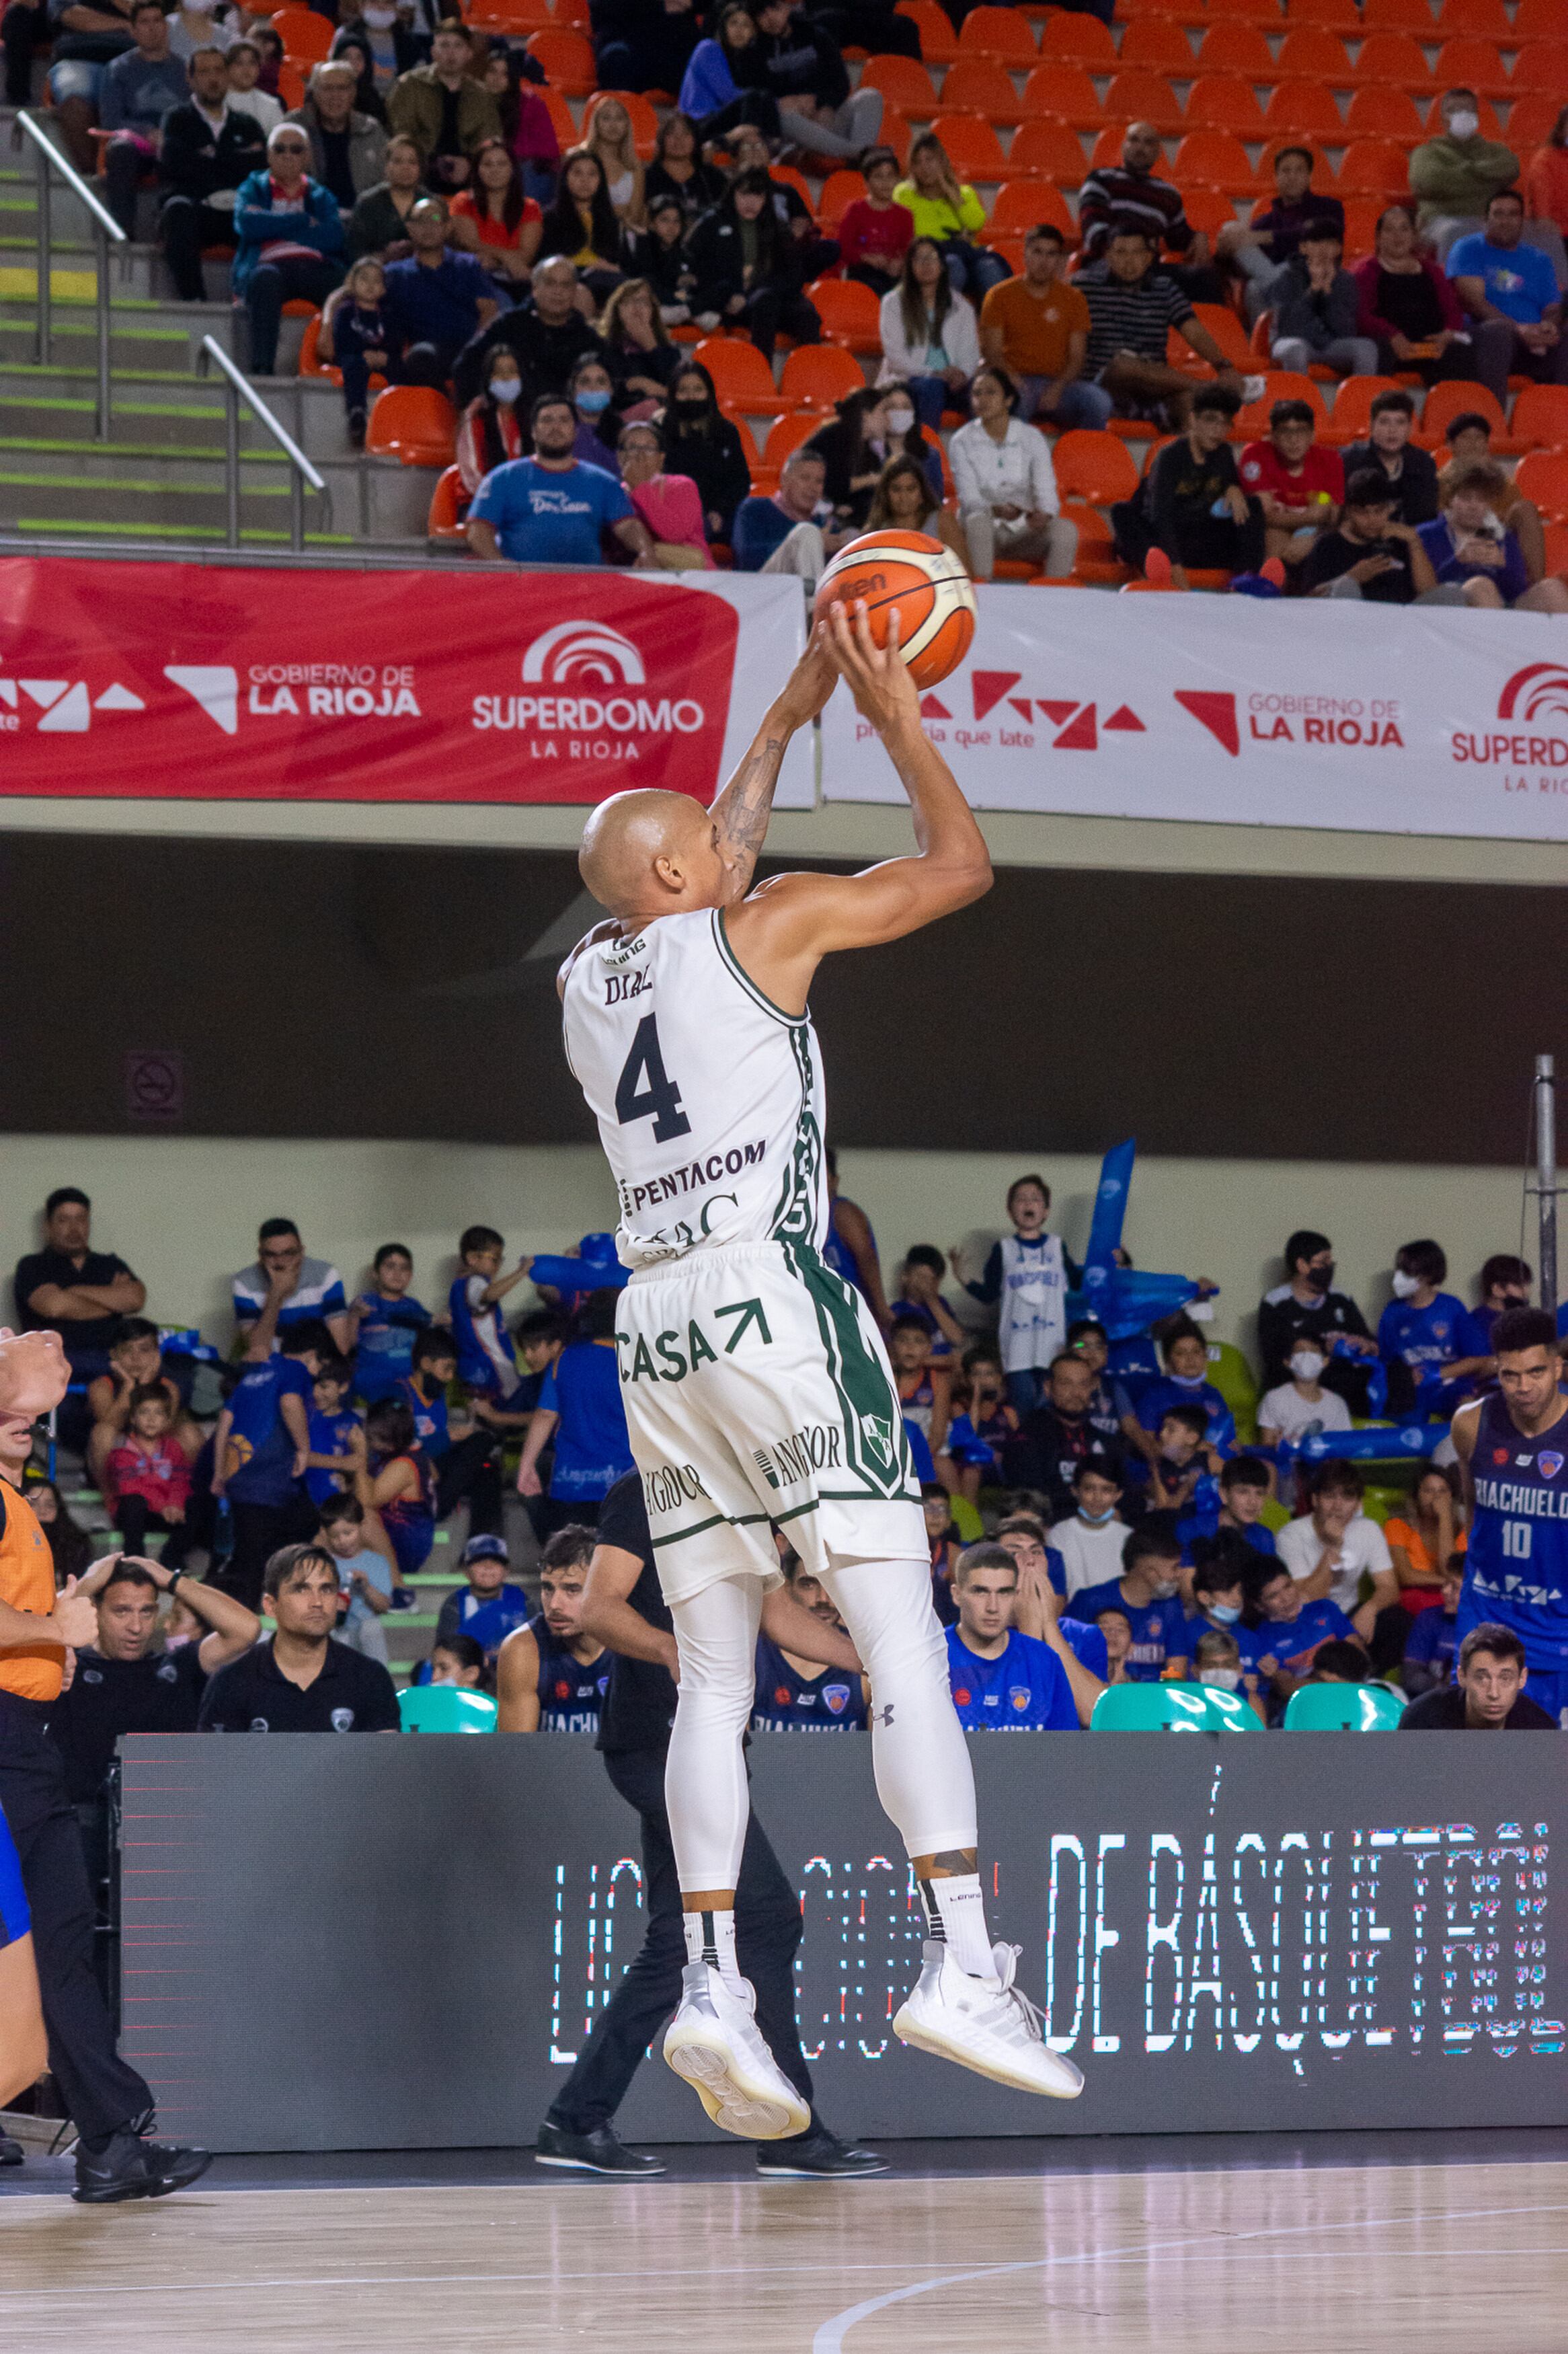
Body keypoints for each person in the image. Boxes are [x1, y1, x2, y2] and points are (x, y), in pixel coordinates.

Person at [559, 608, 1084, 2133]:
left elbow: (694, 851)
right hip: (774, 1297)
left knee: (717, 1671)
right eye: (708, 846)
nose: (732, 843)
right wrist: (895, 713)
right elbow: (958, 869)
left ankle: (713, 1985)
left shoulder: (590, 978)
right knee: (900, 1636)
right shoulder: (768, 919)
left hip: (655, 1322)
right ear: (685, 876)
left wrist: (788, 709)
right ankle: (961, 1961)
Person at [535, 1472, 884, 2178]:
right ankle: (792, 2132)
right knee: (763, 1919)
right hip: (658, 1743)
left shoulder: (752, 1490)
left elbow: (775, 1611)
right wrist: (668, 1649)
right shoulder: (654, 1485)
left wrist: (878, 1660)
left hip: (712, 1746)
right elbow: (599, 1607)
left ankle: (576, 2119)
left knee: (678, 1940)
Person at [0, 1328, 211, 2202]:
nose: (25, 1425)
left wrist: (54, 1649)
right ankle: (112, 2139)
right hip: (9, 1744)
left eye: (26, 1421)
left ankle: (111, 2140)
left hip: (25, 1737)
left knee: (51, 1942)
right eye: (11, 1415)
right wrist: (55, 1633)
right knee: (47, 1943)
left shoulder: (13, 1503)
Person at [48, 1552, 259, 1805]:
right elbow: (29, 1633)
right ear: (96, 1610)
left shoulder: (178, 1667)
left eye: (146, 1612)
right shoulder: (67, 1666)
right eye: (122, 1612)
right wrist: (89, 1583)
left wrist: (172, 1580)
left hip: (163, 1818)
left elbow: (246, 1630)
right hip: (81, 1819)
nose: (136, 1627)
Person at [1449, 1305, 1568, 1724]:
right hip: (1487, 1613)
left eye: (1536, 1372)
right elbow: (1473, 1509)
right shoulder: (1470, 1424)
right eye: (1510, 1375)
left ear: (1558, 1367)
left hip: (1559, 1623)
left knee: (1551, 1766)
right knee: (1474, 1758)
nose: (1523, 1387)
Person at [198, 1541, 401, 1731]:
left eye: (327, 1589)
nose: (317, 1602)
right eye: (301, 1589)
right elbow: (217, 1766)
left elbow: (386, 1764)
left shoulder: (370, 1677)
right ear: (271, 1606)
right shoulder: (231, 1681)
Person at [211, 1299, 323, 1611]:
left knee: (298, 1525)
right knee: (252, 1562)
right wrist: (303, 1448)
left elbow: (225, 1423)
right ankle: (247, 1625)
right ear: (313, 1357)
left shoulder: (252, 1376)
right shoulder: (294, 1369)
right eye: (318, 1366)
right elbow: (290, 1403)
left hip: (241, 1475)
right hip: (268, 1480)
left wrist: (220, 1473)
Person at [13, 1187, 145, 1450]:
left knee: (163, 1385)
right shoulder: (33, 1266)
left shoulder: (108, 1264)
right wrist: (111, 1298)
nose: (74, 1228)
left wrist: (75, 1293)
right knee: (73, 1416)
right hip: (60, 1366)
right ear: (49, 1226)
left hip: (113, 1362)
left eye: (81, 1219)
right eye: (64, 1220)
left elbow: (135, 1299)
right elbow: (53, 1307)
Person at [466, 390, 653, 565]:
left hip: (586, 588)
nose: (555, 427)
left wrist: (646, 552)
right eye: (547, 421)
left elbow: (628, 526)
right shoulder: (503, 478)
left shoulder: (604, 482)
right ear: (533, 431)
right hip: (521, 588)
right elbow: (479, 531)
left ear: (575, 430)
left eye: (564, 420)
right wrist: (501, 566)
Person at [1083, 226, 1243, 430]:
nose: (1129, 261)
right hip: (1105, 390)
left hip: (1153, 390)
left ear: (1149, 257)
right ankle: (1211, 390)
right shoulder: (1086, 286)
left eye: (1137, 253)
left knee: (1190, 402)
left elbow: (1192, 330)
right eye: (1121, 252)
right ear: (1108, 256)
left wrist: (1223, 366)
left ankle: (1190, 459)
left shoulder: (1164, 288)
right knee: (1123, 364)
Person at [1111, 381, 1264, 585]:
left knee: (1252, 506)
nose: (1218, 430)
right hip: (1159, 536)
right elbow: (1160, 516)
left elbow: (1231, 483)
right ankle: (1155, 567)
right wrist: (1175, 568)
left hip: (1194, 536)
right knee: (1121, 511)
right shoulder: (1170, 456)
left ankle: (1245, 579)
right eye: (1211, 421)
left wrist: (1233, 487)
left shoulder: (1224, 453)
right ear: (1193, 419)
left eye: (1225, 423)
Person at [949, 1173, 1080, 1413]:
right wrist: (963, 1278)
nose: (1028, 1204)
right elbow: (989, 1294)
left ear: (1046, 1211)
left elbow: (1079, 1282)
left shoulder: (1056, 1247)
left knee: (1051, 1410)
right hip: (1017, 1348)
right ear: (1010, 1211)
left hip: (1053, 1347)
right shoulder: (1004, 1250)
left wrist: (1109, 1261)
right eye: (1021, 1199)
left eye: (1035, 1199)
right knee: (1023, 1410)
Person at [233, 122, 346, 377]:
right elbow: (248, 225)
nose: (287, 155)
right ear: (269, 154)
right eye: (280, 149)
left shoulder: (320, 195)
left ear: (307, 156)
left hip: (315, 267)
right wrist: (303, 221)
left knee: (344, 283)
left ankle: (340, 367)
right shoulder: (253, 187)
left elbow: (333, 237)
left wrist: (271, 224)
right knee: (264, 280)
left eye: (296, 149)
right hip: (270, 266)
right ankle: (262, 368)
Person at [516, 1291, 635, 1535]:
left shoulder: (566, 1358)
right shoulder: (634, 1359)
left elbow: (545, 1416)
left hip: (572, 1480)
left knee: (571, 1561)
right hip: (623, 1480)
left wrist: (526, 1466)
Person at [159, 42, 268, 301]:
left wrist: (209, 158)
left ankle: (250, 299)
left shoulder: (248, 124)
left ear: (228, 76)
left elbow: (257, 172)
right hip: (198, 208)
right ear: (191, 79)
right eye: (205, 72)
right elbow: (176, 167)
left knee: (265, 216)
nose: (213, 79)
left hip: (237, 210)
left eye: (219, 71)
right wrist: (233, 160)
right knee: (177, 210)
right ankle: (194, 299)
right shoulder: (177, 119)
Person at [945, 363, 1074, 582]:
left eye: (991, 392)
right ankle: (983, 594)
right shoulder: (962, 440)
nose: (982, 399)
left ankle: (1054, 598)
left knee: (1066, 530)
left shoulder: (1031, 437)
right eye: (976, 394)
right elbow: (969, 498)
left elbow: (1046, 488)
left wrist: (1044, 514)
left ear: (1008, 400)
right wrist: (995, 509)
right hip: (981, 527)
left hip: (1024, 527)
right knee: (977, 519)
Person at [978, 223, 1109, 432]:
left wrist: (1057, 388)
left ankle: (1082, 460)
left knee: (1098, 400)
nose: (1044, 261)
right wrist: (1012, 378)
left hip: (1059, 383)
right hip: (1015, 380)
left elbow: (1077, 356)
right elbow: (992, 351)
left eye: (1052, 254)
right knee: (1016, 400)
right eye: (1037, 252)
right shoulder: (999, 295)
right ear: (1025, 254)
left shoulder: (1074, 299)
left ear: (1060, 260)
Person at [944, 1543, 1089, 1730]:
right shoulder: (930, 1656)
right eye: (981, 1592)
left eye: (1004, 1593)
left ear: (1015, 1595)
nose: (993, 1607)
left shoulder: (1045, 1659)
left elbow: (1064, 1749)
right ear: (957, 1595)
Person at [684, 167, 822, 359]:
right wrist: (727, 294)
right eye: (744, 194)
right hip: (728, 300)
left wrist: (764, 290)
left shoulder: (777, 227)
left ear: (766, 199)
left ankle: (812, 377)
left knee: (807, 313)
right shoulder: (712, 223)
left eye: (757, 195)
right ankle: (761, 371)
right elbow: (692, 267)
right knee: (766, 302)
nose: (751, 202)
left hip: (768, 297)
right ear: (733, 193)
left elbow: (793, 275)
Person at [1447, 187, 1568, 404]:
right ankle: (1493, 419)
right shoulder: (1467, 248)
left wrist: (1549, 325)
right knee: (1499, 332)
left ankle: (1559, 417)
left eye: (1513, 214)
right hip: (1484, 336)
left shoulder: (1539, 259)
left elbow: (1552, 307)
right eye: (1499, 214)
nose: (1506, 221)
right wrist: (1518, 328)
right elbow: (1474, 303)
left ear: (1523, 220)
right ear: (1486, 219)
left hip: (1533, 339)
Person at [1078, 121, 1218, 299]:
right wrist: (1137, 248)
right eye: (1134, 140)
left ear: (1158, 152)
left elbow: (1179, 239)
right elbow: (1093, 231)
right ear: (1124, 146)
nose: (1140, 147)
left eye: (1148, 142)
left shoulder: (1168, 194)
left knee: (1206, 279)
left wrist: (1198, 237)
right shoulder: (1100, 180)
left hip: (1149, 268)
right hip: (1107, 263)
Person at [734, 0, 881, 167]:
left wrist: (824, 105)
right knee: (784, 118)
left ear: (787, 8)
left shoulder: (816, 35)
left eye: (775, 9)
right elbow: (751, 98)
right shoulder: (751, 52)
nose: (770, 18)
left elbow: (841, 83)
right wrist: (779, 103)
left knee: (870, 96)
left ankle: (857, 158)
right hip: (791, 133)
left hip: (826, 121)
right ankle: (864, 156)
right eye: (762, 15)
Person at [453, 252, 604, 410]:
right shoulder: (508, 325)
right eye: (550, 283)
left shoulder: (588, 339)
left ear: (575, 292)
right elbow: (465, 366)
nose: (558, 291)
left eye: (566, 285)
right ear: (535, 288)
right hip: (513, 417)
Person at [495, 1525, 609, 1732]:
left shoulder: (638, 1646)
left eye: (572, 1589)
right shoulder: (522, 1649)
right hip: (545, 1765)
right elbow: (517, 1757)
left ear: (603, 1588)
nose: (554, 1604)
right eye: (548, 1588)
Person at [1275, 1459, 1399, 1643]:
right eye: (1330, 1496)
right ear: (1315, 1500)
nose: (1338, 1506)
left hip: (1350, 1611)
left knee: (1396, 1620)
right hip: (1308, 1617)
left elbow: (1389, 1587)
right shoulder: (1291, 1535)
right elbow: (1304, 1601)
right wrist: (1333, 1546)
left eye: (1348, 1497)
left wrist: (1370, 1609)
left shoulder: (1368, 1529)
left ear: (1358, 1504)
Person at [1218, 145, 1345, 323]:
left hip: (1316, 278)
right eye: (1285, 171)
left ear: (1309, 177)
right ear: (1276, 178)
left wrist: (1262, 238)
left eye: (1299, 171)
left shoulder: (1330, 208)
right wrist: (1224, 251)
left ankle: (1278, 334)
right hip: (1283, 290)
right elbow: (1245, 261)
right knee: (1231, 230)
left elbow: (1315, 238)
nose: (1292, 177)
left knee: (1263, 284)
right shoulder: (1265, 222)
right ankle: (1274, 338)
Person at [401, 1324, 507, 1539]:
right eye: (446, 1369)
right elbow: (399, 1446)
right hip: (411, 1469)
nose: (450, 1378)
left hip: (440, 1472)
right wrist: (450, 1436)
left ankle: (483, 1546)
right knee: (478, 1445)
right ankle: (440, 1507)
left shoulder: (438, 1397)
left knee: (488, 1467)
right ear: (425, 1364)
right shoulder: (400, 1393)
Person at [1410, 88, 1536, 266]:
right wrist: (1486, 180)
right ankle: (1452, 291)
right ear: (1442, 118)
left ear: (1477, 116)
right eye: (1453, 110)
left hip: (1491, 219)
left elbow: (1511, 168)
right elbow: (1430, 181)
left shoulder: (1495, 150)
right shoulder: (1426, 152)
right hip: (1442, 220)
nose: (1462, 115)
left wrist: (1463, 172)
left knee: (1544, 232)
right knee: (1457, 231)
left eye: (1468, 110)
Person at [1421, 459, 1568, 611]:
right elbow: (1422, 588)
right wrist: (1458, 562)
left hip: (1497, 608)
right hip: (1444, 608)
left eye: (1482, 499)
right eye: (1465, 498)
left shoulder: (1502, 537)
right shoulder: (1426, 534)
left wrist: (1502, 566)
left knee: (1552, 589)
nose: (1473, 506)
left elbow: (1517, 591)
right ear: (1449, 499)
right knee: (1481, 586)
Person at [382, 193, 498, 383]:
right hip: (425, 352)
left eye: (435, 219)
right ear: (409, 228)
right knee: (420, 358)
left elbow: (489, 311)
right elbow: (352, 292)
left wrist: (475, 350)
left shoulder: (468, 265)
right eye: (420, 221)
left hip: (469, 350)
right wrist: (328, 317)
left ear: (447, 227)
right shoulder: (394, 274)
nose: (427, 227)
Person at [1256, 1227, 1378, 1407]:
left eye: (1330, 1261)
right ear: (1302, 1265)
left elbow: (1365, 1336)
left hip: (1348, 1373)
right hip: (1304, 1378)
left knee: (1392, 1371)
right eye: (1323, 1262)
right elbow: (1275, 1358)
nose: (1329, 1267)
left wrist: (1365, 1344)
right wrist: (1323, 1350)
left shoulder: (1341, 1297)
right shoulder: (1276, 1303)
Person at [749, 1550, 869, 1732]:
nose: (823, 1598)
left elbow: (879, 1756)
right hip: (763, 1761)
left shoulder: (868, 1661)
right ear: (787, 1589)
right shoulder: (753, 1655)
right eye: (809, 1584)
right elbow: (738, 1752)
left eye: (833, 1584)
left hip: (847, 1761)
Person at [98, 0, 187, 237]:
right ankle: (121, 232)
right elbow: (111, 120)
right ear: (134, 30)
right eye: (144, 22)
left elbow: (192, 116)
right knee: (120, 149)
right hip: (135, 144)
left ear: (166, 27)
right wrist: (147, 132)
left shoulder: (183, 70)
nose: (152, 28)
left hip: (172, 144)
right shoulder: (117, 69)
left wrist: (169, 135)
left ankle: (173, 231)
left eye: (157, 21)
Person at [875, 235, 979, 432]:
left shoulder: (961, 306)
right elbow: (896, 357)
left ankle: (985, 454)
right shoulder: (893, 303)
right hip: (911, 380)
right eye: (919, 258)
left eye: (932, 257)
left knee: (983, 389)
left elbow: (971, 354)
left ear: (942, 264)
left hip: (952, 383)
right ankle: (925, 451)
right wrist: (933, 373)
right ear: (910, 266)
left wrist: (962, 373)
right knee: (930, 386)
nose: (926, 264)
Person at [386, 17, 500, 194]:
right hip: (420, 171)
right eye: (444, 45)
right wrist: (433, 163)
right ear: (433, 52)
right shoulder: (409, 85)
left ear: (469, 53)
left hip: (468, 177)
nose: (451, 53)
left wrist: (470, 164)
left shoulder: (481, 94)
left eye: (458, 46)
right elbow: (401, 135)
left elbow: (489, 140)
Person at [86, 1315, 199, 1490]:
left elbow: (161, 1429)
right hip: (120, 1454)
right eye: (127, 1350)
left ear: (157, 1354)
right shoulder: (101, 1386)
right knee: (102, 1432)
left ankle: (189, 1494)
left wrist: (146, 1384)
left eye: (144, 1350)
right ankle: (110, 1497)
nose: (136, 1358)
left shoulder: (168, 1388)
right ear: (114, 1354)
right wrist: (130, 1386)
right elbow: (109, 1424)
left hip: (158, 1454)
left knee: (190, 1432)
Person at [1072, 1521, 1192, 1683]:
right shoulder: (1090, 1601)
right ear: (1150, 1572)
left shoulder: (1171, 1606)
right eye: (1174, 1567)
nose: (1179, 1574)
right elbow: (1068, 1662)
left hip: (1152, 1702)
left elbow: (1176, 1673)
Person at [1007, 1353, 1123, 1519]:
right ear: (1048, 1388)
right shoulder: (1029, 1437)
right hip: (1051, 1527)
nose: (1076, 1392)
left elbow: (1126, 1489)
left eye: (1083, 1384)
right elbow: (1029, 1494)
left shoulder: (1106, 1439)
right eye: (1066, 1384)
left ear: (1092, 1388)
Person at [806, 385, 936, 531]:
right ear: (866, 415)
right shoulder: (838, 435)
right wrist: (872, 480)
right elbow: (833, 484)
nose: (887, 419)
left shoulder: (868, 446)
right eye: (882, 412)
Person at [1439, 412, 1548, 586]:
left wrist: (1491, 522)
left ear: (1487, 444)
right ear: (1450, 444)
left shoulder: (1504, 484)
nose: (1473, 444)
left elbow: (1510, 520)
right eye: (1465, 438)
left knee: (1526, 508)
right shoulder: (1439, 482)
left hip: (1497, 538)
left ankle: (1536, 587)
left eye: (1479, 438)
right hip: (1457, 541)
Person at [893, 132, 1005, 300]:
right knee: (953, 264)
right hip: (926, 260)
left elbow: (976, 224)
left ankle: (995, 325)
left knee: (990, 266)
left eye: (930, 160)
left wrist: (950, 192)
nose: (924, 167)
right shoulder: (904, 193)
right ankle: (940, 323)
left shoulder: (964, 193)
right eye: (917, 162)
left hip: (967, 257)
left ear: (942, 161)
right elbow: (909, 233)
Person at [1377, 1239, 1482, 1418]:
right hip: (1410, 1390)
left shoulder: (1452, 1307)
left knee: (1469, 1410)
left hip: (1451, 1385)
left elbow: (1477, 1359)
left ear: (1427, 1275)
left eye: (1406, 1271)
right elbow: (1385, 1358)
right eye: (1398, 1269)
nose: (1398, 1277)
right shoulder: (1392, 1311)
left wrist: (1436, 1374)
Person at [1239, 1560, 1362, 1711]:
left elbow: (1358, 1653)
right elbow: (1286, 1686)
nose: (1286, 1598)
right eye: (1273, 1596)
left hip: (1354, 1690)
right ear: (1259, 1606)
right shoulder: (1262, 1639)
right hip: (1310, 1707)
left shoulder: (1325, 1608)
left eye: (1288, 1586)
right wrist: (1334, 1687)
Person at [1237, 396, 1343, 570]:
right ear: (1273, 436)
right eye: (1285, 431)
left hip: (1314, 532)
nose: (1293, 440)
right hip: (1278, 531)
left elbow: (1330, 511)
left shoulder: (1330, 460)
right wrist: (1311, 518)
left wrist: (1312, 534)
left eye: (1301, 431)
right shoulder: (1255, 456)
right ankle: (1269, 588)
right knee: (1273, 537)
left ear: (1312, 436)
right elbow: (1264, 515)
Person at [1263, 219, 1376, 381]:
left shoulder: (1346, 281)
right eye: (1316, 242)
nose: (1323, 248)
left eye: (1330, 243)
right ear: (1303, 247)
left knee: (1367, 348)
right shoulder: (1287, 278)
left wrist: (1328, 293)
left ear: (1339, 249)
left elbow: (1345, 331)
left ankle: (1359, 404)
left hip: (1331, 344)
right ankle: (1299, 403)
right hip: (1290, 341)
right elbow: (1289, 327)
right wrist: (1313, 291)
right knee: (1296, 348)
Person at [656, 359, 752, 549]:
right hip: (675, 515)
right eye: (683, 391)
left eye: (698, 390)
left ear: (709, 393)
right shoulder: (660, 432)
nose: (691, 396)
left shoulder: (726, 431)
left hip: (722, 515)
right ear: (673, 395)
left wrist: (719, 511)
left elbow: (740, 481)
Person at [1399, 1620, 1557, 1729]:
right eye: (1481, 1678)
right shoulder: (1423, 1718)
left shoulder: (1540, 1729)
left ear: (1522, 1678)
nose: (1494, 1693)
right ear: (1461, 1676)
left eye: (1505, 1678)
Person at [39, 0, 136, 176]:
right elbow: (75, 18)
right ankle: (91, 179)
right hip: (79, 60)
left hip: (134, 61)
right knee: (74, 98)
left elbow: (146, 15)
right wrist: (125, 24)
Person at [231, 1217, 350, 1354]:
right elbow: (256, 1350)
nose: (280, 1262)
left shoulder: (325, 1275)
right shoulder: (244, 1283)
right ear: (260, 1255)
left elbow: (341, 1347)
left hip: (318, 1366)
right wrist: (275, 1296)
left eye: (288, 1253)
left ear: (302, 1251)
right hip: (273, 1368)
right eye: (271, 1255)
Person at [284, 58, 386, 217]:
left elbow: (386, 183)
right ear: (314, 93)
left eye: (342, 88)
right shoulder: (294, 128)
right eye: (327, 88)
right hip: (308, 219)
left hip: (363, 222)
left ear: (353, 93)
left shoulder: (372, 130)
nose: (335, 96)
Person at [106, 1388, 194, 1569]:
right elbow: (129, 1487)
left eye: (159, 1413)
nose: (151, 1419)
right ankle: (135, 1561)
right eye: (144, 1412)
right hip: (138, 1514)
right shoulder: (123, 1448)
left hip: (168, 1512)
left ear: (167, 1420)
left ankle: (171, 1557)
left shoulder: (173, 1447)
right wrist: (163, 1507)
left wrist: (175, 1504)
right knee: (133, 1502)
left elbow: (181, 1480)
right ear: (133, 1418)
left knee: (197, 1505)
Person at [732, 444, 847, 581]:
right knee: (808, 533)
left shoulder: (825, 524)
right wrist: (810, 544)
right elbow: (746, 559)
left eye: (819, 481)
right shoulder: (754, 508)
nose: (813, 487)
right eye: (805, 478)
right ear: (785, 480)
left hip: (812, 591)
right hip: (761, 589)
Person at [537, 146, 629, 308]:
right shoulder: (550, 218)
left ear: (601, 180)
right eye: (577, 173)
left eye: (592, 174)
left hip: (606, 278)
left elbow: (618, 261)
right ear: (566, 178)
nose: (585, 180)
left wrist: (608, 267)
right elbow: (546, 260)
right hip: (569, 279)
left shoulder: (611, 220)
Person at [1337, 387, 1443, 529]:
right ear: (1371, 426)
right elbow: (1326, 499)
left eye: (1400, 422)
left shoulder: (1423, 462)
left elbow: (1427, 515)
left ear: (1410, 428)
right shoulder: (1350, 459)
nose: (1392, 430)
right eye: (1384, 422)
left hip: (1412, 540)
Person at [677, 5, 780, 146]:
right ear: (723, 27)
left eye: (746, 25)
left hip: (720, 120)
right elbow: (727, 95)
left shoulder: (742, 59)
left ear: (753, 33)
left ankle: (772, 144)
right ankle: (755, 141)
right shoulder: (709, 48)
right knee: (754, 96)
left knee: (763, 96)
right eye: (734, 23)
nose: (739, 30)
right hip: (698, 123)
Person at [448, 137, 541, 291]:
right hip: (475, 278)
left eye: (502, 164)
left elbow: (526, 256)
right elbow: (469, 244)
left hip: (517, 279)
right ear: (477, 169)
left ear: (512, 169)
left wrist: (494, 259)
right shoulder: (463, 202)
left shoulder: (530, 208)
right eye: (487, 164)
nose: (495, 170)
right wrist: (506, 257)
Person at [317, 1490, 400, 1664]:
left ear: (361, 1526)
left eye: (348, 1533)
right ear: (325, 1534)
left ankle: (379, 1682)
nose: (342, 1541)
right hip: (337, 1632)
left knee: (371, 1627)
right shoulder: (322, 1564)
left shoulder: (376, 1562)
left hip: (365, 1633)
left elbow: (383, 1606)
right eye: (335, 1536)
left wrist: (366, 1587)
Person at [617, 418, 711, 570]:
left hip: (690, 574)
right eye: (633, 447)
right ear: (620, 457)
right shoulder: (613, 491)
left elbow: (674, 534)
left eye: (649, 448)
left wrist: (640, 487)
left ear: (661, 458)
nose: (641, 455)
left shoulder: (681, 485)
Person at [344, 1243, 430, 1406]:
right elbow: (349, 1345)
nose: (398, 1273)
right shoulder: (364, 1302)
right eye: (390, 1267)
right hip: (373, 1377)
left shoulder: (413, 1306)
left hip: (407, 1378)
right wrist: (354, 1316)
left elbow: (427, 1342)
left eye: (404, 1268)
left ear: (411, 1275)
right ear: (375, 1273)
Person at [318, 255, 392, 444]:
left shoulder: (388, 313)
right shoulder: (346, 311)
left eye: (377, 280)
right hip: (354, 356)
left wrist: (383, 356)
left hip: (381, 357)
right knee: (354, 365)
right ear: (352, 282)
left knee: (399, 367)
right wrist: (364, 354)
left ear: (384, 287)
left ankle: (399, 418)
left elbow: (395, 339)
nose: (370, 285)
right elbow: (342, 340)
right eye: (364, 279)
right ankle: (357, 413)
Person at [1137, 1318, 1235, 1459]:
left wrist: (1231, 1447)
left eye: (1196, 1352)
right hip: (1170, 1472)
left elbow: (1225, 1436)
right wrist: (1191, 1451)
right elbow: (1146, 1447)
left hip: (1212, 1470)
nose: (1190, 1359)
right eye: (1181, 1353)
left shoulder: (1213, 1394)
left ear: (1205, 1356)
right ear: (1168, 1360)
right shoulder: (1155, 1395)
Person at [1385, 1464, 1466, 1619]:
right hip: (1410, 1606)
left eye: (1443, 1491)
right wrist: (1447, 1581)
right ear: (1416, 1496)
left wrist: (1444, 1518)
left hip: (1451, 1602)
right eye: (1429, 1491)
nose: (1436, 1497)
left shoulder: (1463, 1532)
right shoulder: (1396, 1526)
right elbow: (1406, 1576)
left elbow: (1448, 1569)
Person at [435, 1531, 531, 1657]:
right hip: (471, 1670)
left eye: (496, 1562)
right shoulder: (455, 1604)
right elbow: (447, 1650)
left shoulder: (522, 1599)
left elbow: (536, 1643)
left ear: (507, 1571)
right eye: (480, 1562)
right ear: (466, 1571)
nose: (488, 1567)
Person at [598, 276, 679, 419]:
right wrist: (635, 384)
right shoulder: (603, 346)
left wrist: (651, 346)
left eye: (642, 301)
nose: (635, 307)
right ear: (618, 311)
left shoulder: (669, 350)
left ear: (653, 310)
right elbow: (600, 388)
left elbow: (678, 388)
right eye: (628, 302)